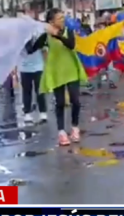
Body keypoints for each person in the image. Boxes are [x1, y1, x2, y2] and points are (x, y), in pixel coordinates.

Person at [29, 9, 88, 145]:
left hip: (71, 69)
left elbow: (71, 45)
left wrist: (58, 36)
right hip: (56, 71)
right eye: (59, 18)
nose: (63, 20)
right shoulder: (46, 36)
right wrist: (29, 36)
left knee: (75, 100)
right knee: (60, 102)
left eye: (63, 18)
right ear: (51, 22)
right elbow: (31, 49)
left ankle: (75, 127)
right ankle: (61, 132)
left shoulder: (68, 31)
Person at [20, 13, 48, 123]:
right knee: (27, 91)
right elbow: (25, 50)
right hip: (24, 67)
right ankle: (27, 113)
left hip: (38, 66)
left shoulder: (39, 33)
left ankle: (43, 112)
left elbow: (44, 50)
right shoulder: (19, 36)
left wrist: (47, 64)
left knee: (40, 90)